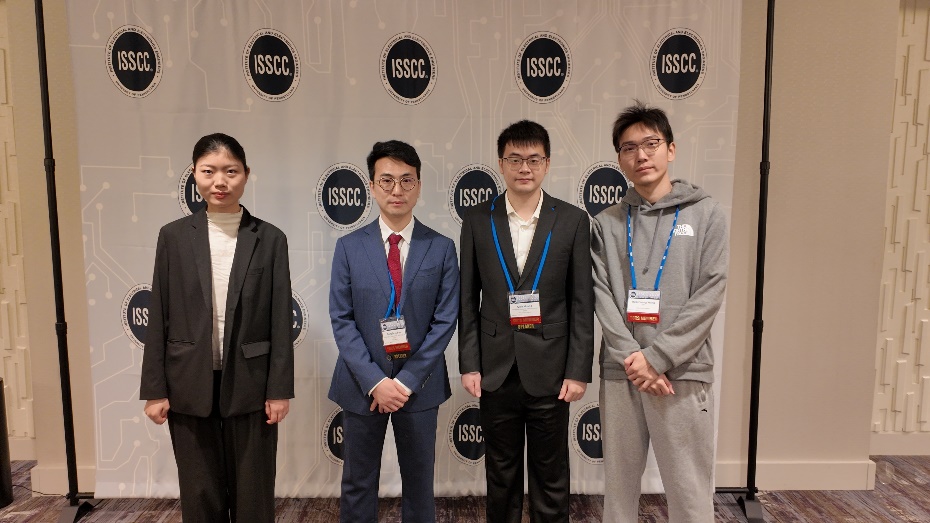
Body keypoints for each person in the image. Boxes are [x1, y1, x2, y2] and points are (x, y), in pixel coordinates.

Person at [140, 133, 293, 523]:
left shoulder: (270, 239)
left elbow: (279, 319)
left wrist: (278, 390)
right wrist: (155, 389)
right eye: (209, 172)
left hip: (251, 384)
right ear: (194, 174)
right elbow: (159, 314)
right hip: (188, 382)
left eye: (230, 171)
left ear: (246, 175)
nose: (219, 182)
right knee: (200, 495)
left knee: (253, 495)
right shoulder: (173, 237)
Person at [591, 101, 728, 523]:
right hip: (623, 372)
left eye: (651, 144)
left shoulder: (706, 213)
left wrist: (658, 357)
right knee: (618, 491)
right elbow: (601, 293)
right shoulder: (606, 222)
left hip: (682, 371)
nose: (641, 155)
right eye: (629, 148)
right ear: (620, 159)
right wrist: (634, 358)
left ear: (670, 149)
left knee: (689, 489)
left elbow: (710, 291)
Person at [458, 120, 594, 523]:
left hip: (552, 370)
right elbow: (467, 299)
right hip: (495, 368)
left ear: (547, 164)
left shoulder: (572, 220)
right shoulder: (477, 219)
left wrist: (578, 370)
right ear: (501, 164)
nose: (524, 168)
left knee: (551, 475)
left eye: (534, 159)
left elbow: (581, 302)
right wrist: (470, 363)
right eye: (515, 159)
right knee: (501, 474)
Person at [328, 140, 459, 523]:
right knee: (358, 482)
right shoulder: (349, 247)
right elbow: (341, 319)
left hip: (420, 385)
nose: (397, 190)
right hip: (362, 383)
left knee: (419, 484)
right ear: (371, 186)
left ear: (419, 185)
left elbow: (444, 321)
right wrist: (375, 381)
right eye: (386, 181)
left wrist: (405, 382)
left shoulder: (441, 247)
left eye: (406, 180)